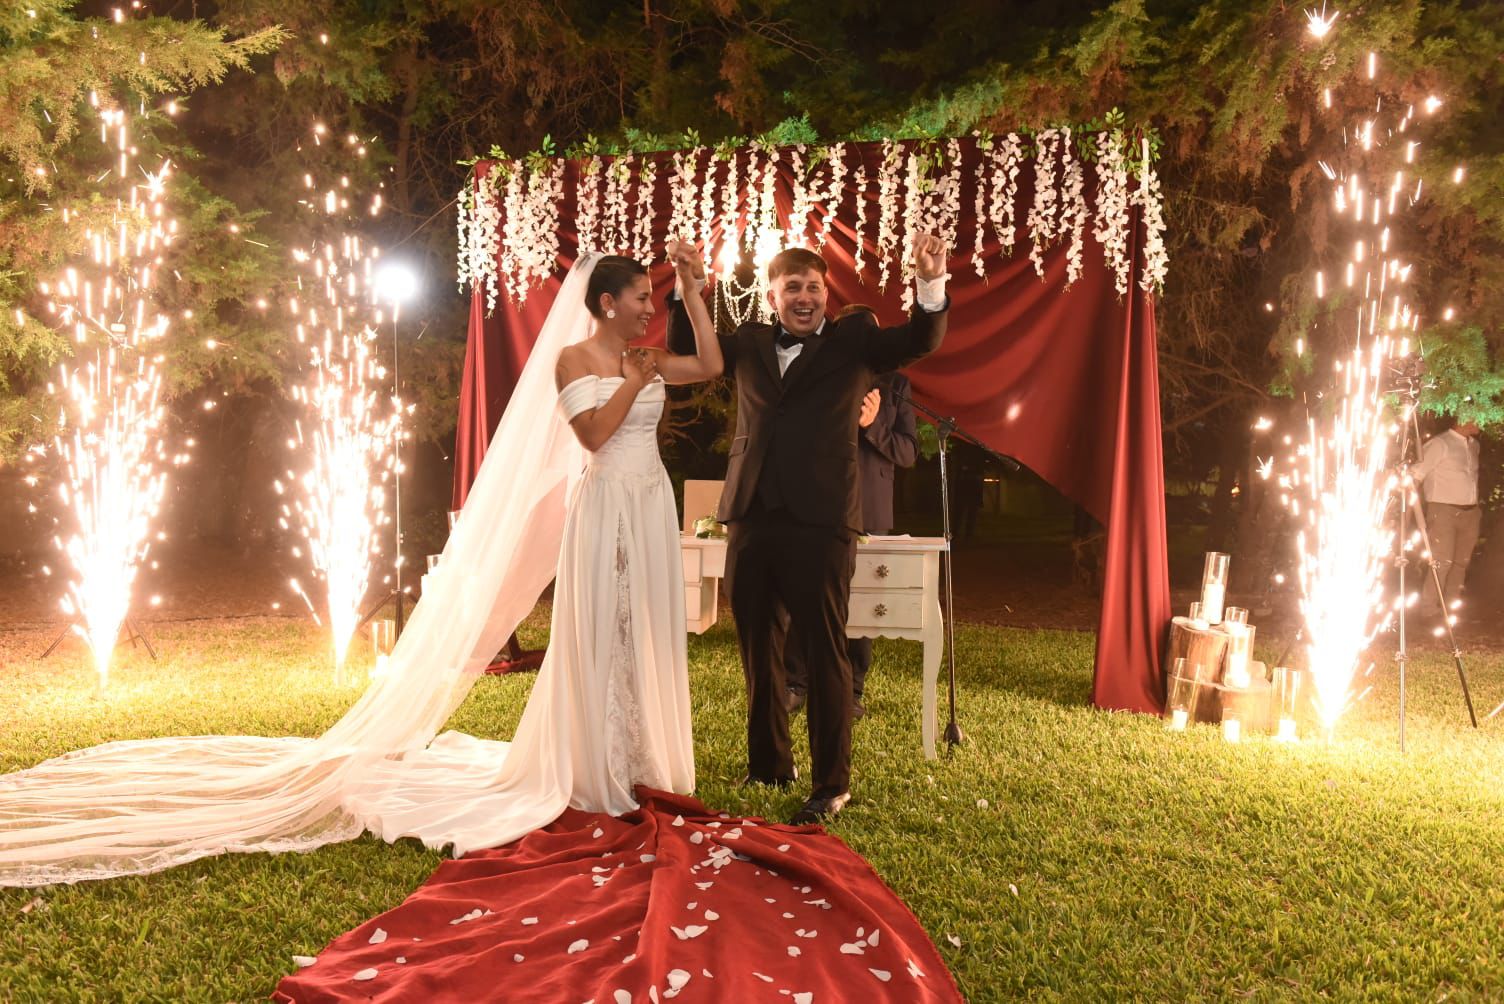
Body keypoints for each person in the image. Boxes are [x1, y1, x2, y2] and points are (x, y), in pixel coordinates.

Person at [0, 249, 723, 886]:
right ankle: (589, 768)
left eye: (656, 302)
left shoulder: (651, 356)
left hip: (648, 502)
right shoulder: (575, 361)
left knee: (645, 630)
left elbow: (713, 366)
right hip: (604, 506)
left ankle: (642, 758)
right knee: (599, 628)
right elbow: (594, 436)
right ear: (606, 302)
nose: (648, 311)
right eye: (644, 299)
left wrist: (693, 290)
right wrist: (629, 381)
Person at [666, 236, 949, 825]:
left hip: (823, 519)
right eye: (792, 287)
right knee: (758, 648)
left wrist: (929, 282)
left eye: (814, 288)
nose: (804, 296)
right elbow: (686, 352)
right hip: (750, 514)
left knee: (824, 652)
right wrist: (685, 288)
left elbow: (921, 339)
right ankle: (770, 763)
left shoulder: (854, 344)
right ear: (772, 296)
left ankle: (831, 783)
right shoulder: (746, 343)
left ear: (826, 296)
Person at [785, 304, 918, 722]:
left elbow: (908, 452)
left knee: (861, 606)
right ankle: (795, 683)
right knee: (806, 597)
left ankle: (851, 691)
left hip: (871, 512)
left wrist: (874, 424)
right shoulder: (820, 376)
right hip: (820, 505)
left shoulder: (895, 386)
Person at [1411, 417, 1483, 624]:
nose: (1484, 422)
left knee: (1461, 563)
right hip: (1443, 510)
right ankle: (1429, 609)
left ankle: (1450, 608)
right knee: (1441, 561)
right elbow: (1417, 473)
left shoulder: (1474, 446)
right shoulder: (1440, 443)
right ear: (1465, 418)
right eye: (1480, 417)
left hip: (1470, 512)